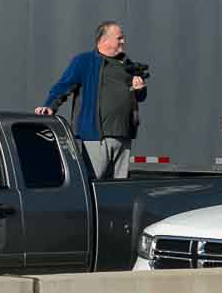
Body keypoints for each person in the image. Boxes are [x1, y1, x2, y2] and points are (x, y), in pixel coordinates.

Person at [36, 20, 146, 179]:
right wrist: (50, 106)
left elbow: (140, 97)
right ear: (104, 40)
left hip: (124, 136)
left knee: (119, 188)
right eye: (119, 38)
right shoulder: (85, 61)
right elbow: (64, 85)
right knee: (94, 182)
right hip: (96, 137)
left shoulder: (128, 65)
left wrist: (140, 89)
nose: (123, 41)